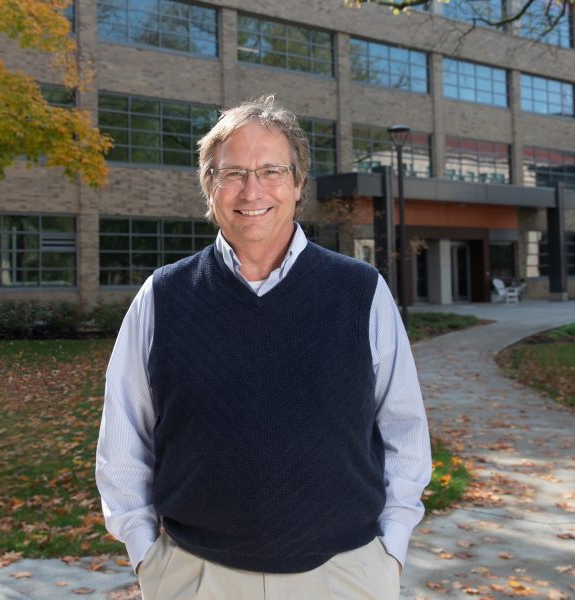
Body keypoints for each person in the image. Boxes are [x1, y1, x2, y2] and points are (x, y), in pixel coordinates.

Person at [95, 95, 431, 600]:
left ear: (298, 185)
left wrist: (391, 550)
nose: (251, 189)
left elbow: (405, 429)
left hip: (345, 575)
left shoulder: (360, 291)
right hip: (196, 577)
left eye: (272, 170)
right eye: (232, 173)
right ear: (210, 187)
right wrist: (147, 556)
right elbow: (124, 438)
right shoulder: (162, 297)